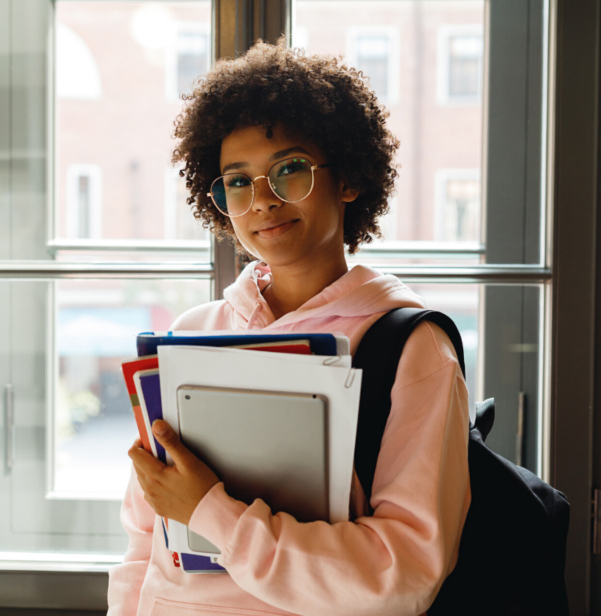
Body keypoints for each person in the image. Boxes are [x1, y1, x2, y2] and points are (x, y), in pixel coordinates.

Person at [107, 39, 471, 616]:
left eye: (291, 169)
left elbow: (405, 574)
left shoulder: (412, 349)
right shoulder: (191, 332)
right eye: (238, 181)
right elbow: (145, 541)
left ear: (348, 178)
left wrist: (210, 511)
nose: (264, 200)